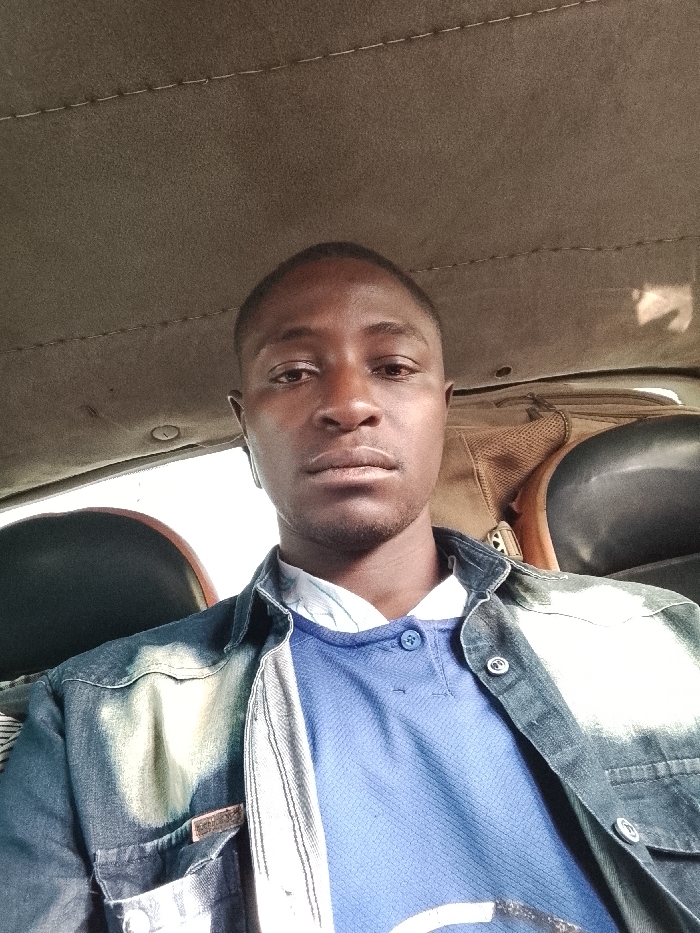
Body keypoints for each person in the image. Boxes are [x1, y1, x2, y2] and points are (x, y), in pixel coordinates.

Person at [1, 242, 699, 933]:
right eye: (294, 373)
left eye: (392, 368)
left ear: (442, 408)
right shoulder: (90, 718)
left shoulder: (661, 638)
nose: (349, 403)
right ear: (245, 427)